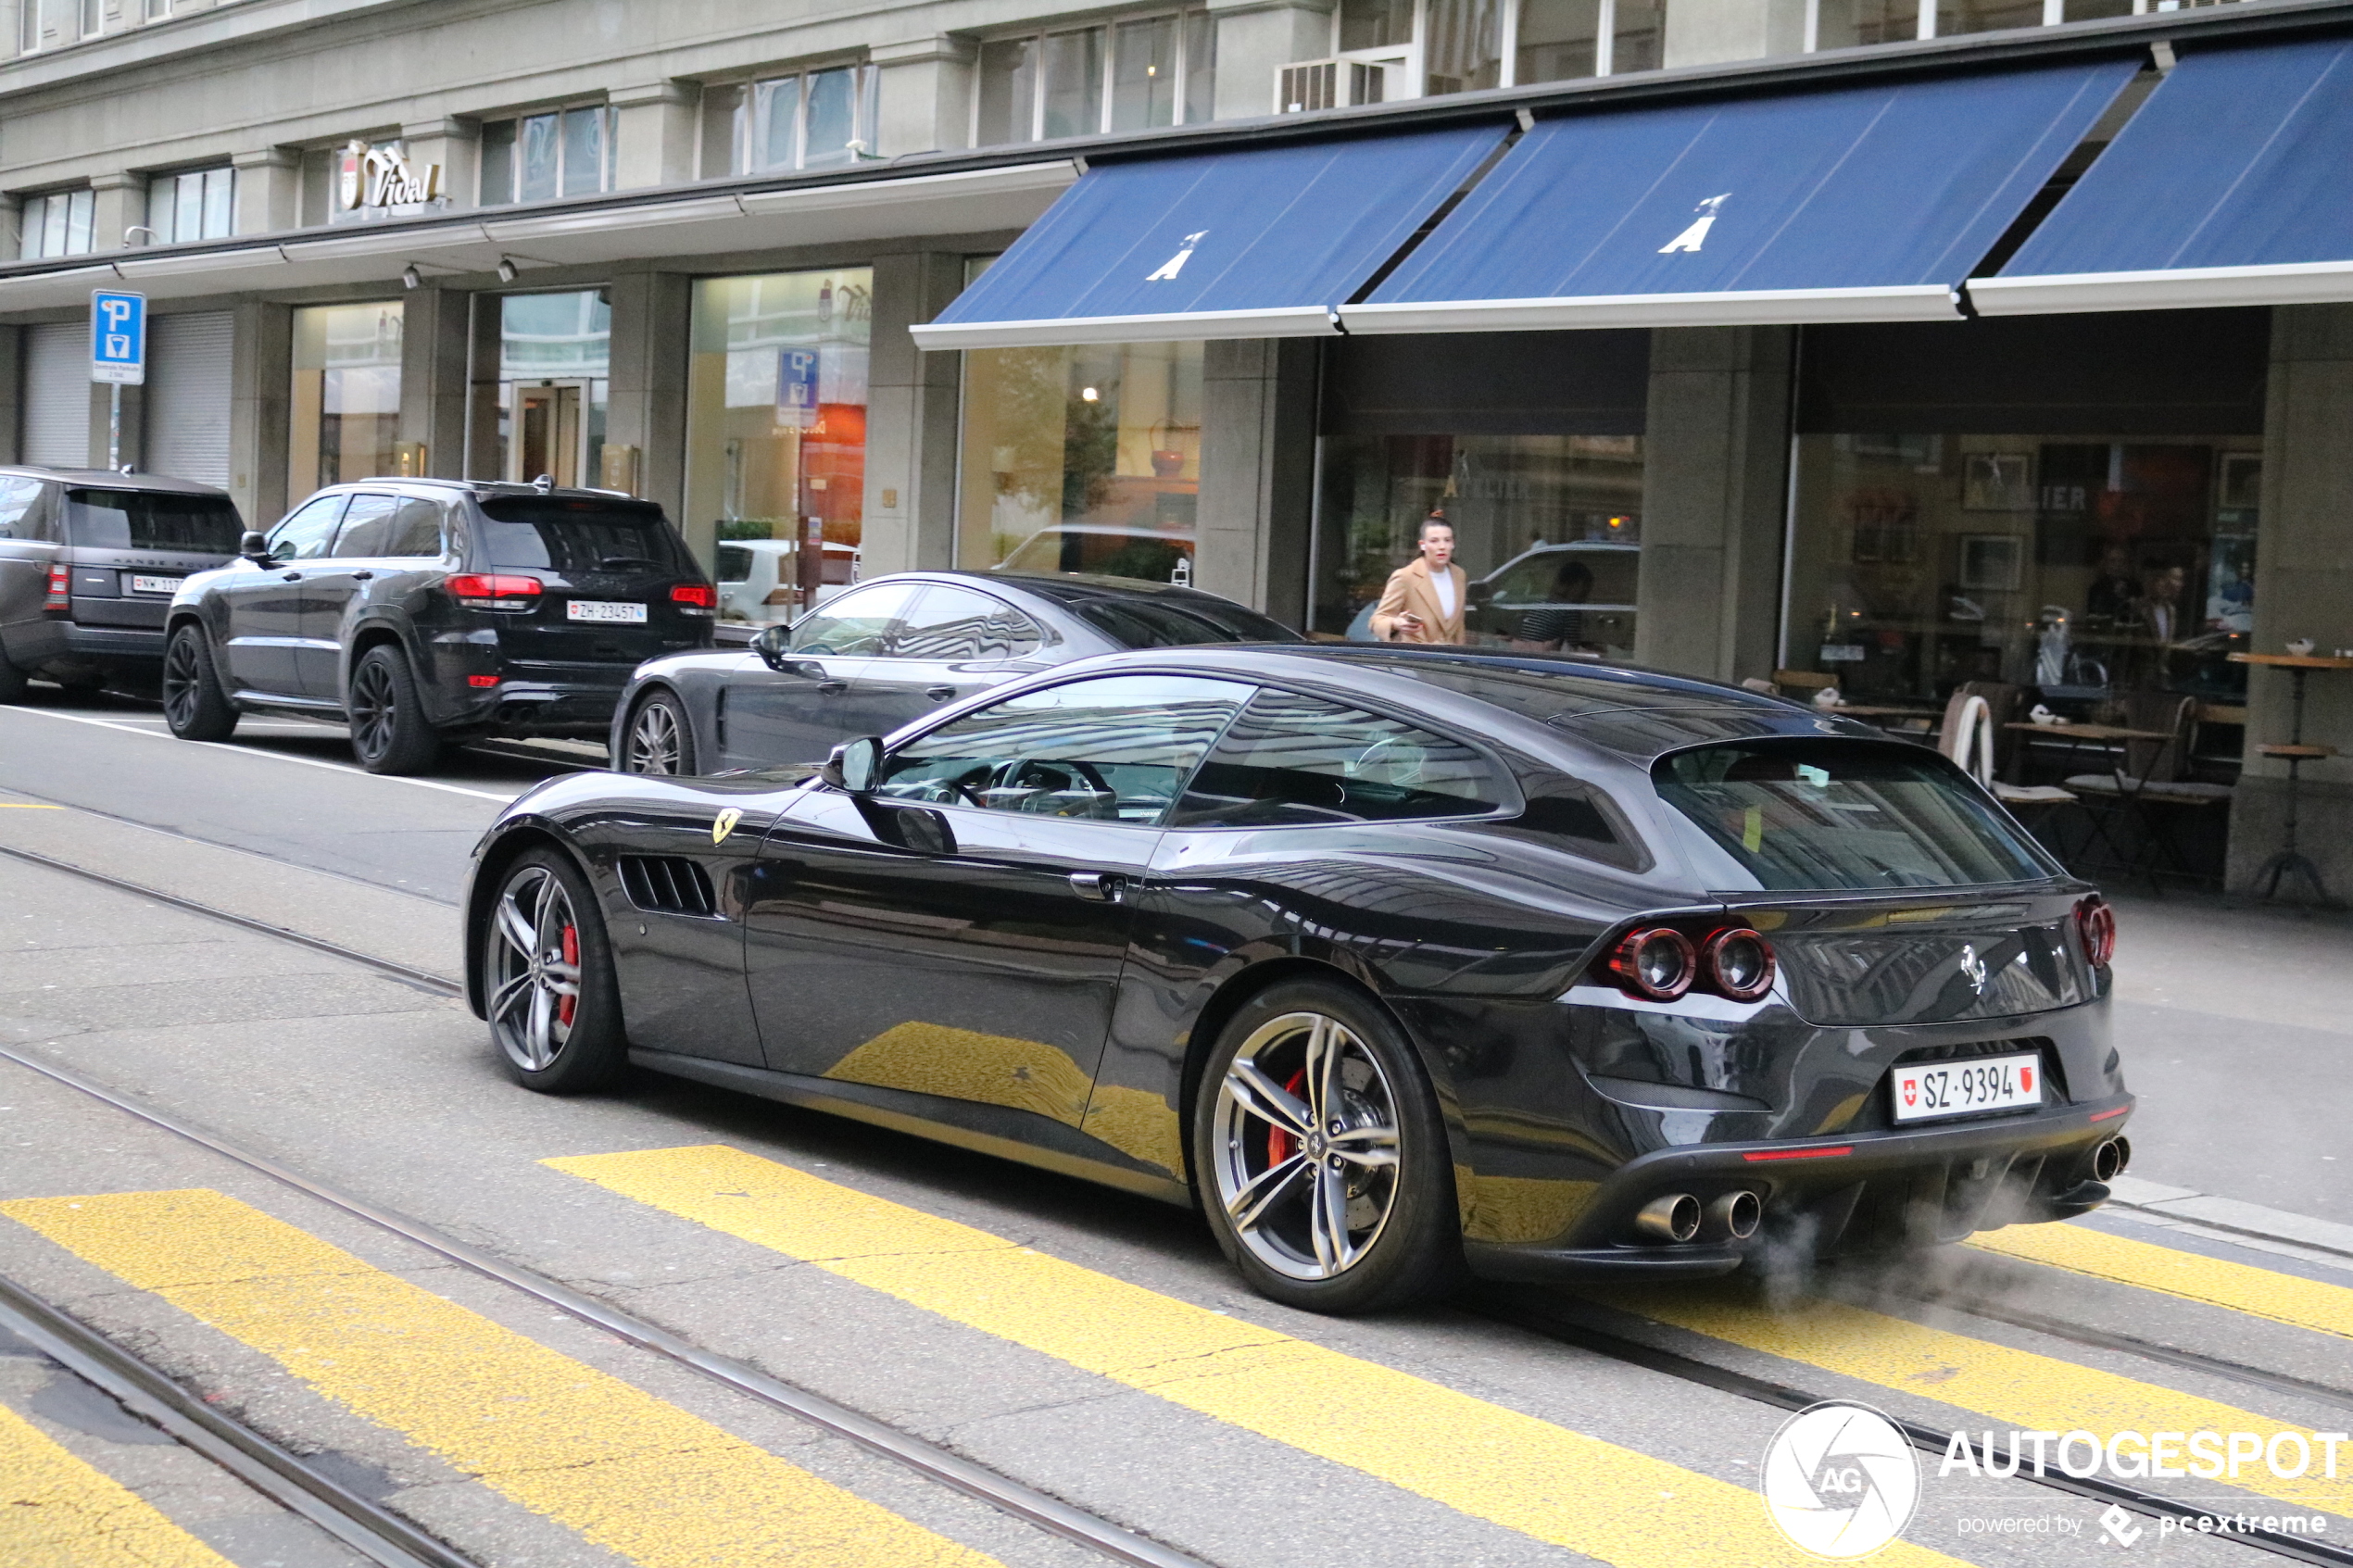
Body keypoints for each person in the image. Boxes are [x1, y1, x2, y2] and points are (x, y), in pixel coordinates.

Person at [1371, 514, 1466, 645]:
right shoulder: (1405, 576)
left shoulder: (1459, 575)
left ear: (1453, 544)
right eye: (1434, 541)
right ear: (1423, 545)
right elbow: (1377, 620)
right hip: (1416, 656)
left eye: (1447, 540)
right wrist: (1395, 623)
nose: (1442, 546)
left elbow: (1458, 626)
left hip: (1450, 658)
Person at [1511, 559, 1594, 653]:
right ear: (1577, 584)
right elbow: (1572, 647)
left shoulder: (1538, 603)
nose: (1586, 594)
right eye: (1585, 588)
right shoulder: (1569, 610)